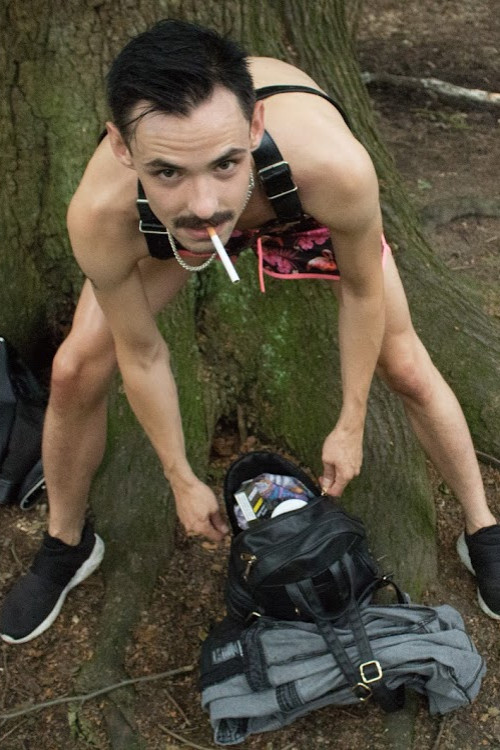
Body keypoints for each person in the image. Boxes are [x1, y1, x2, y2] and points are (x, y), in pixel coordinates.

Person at [1, 19, 499, 645]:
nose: (204, 203)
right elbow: (142, 352)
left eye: (224, 163)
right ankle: (65, 543)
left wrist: (351, 420)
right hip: (165, 233)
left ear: (255, 126)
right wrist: (180, 474)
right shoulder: (101, 215)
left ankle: (483, 528)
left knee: (403, 363)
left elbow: (362, 290)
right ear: (122, 149)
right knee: (75, 369)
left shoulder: (335, 169)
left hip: (290, 201)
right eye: (168, 171)